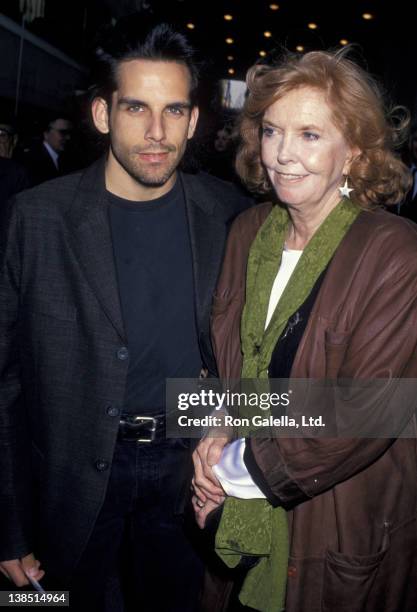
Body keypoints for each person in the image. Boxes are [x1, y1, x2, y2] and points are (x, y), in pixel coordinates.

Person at [0, 17, 251, 612]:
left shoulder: (232, 216)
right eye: (137, 108)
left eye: (174, 111)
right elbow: (4, 383)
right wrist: (7, 526)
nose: (157, 132)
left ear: (193, 120)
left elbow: (253, 356)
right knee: (52, 604)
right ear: (102, 114)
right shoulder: (35, 218)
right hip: (67, 471)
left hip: (186, 468)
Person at [192, 48, 417, 612]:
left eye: (310, 135)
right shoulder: (246, 229)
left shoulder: (394, 250)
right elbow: (226, 366)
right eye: (271, 131)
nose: (283, 155)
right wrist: (209, 434)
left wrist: (233, 473)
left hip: (338, 522)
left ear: (355, 153)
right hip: (235, 517)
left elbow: (365, 411)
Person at [24, 115, 73, 185]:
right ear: (46, 134)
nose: (68, 137)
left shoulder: (67, 159)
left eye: (69, 133)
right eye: (62, 132)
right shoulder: (32, 161)